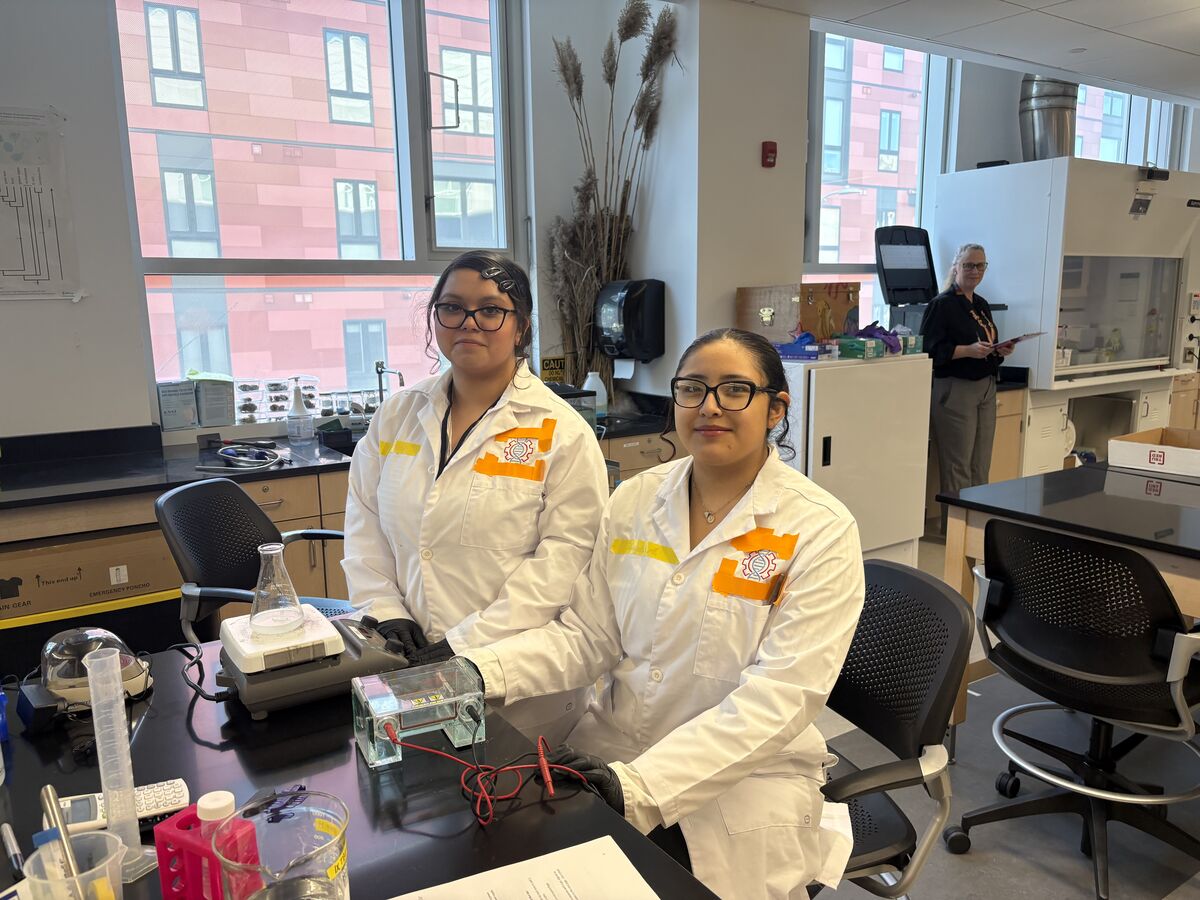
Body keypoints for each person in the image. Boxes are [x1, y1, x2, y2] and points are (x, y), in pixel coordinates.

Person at [459, 328, 865, 900]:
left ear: (776, 408)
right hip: (613, 751)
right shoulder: (634, 500)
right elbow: (587, 638)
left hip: (746, 780)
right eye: (692, 389)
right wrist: (477, 672)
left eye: (735, 391)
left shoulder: (819, 531)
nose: (710, 407)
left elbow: (779, 697)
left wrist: (642, 788)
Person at [343, 250, 608, 743]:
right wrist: (388, 611)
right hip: (409, 671)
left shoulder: (561, 433)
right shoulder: (398, 414)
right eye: (452, 307)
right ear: (435, 318)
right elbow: (365, 521)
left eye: (490, 310)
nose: (469, 323)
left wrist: (465, 646)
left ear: (521, 326)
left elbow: (565, 562)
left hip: (519, 693)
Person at [919, 242, 1014, 497]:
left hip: (985, 386)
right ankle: (955, 528)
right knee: (957, 464)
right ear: (957, 266)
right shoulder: (942, 305)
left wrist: (998, 350)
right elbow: (929, 350)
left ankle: (975, 523)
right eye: (969, 265)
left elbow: (986, 342)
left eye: (980, 265)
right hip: (955, 388)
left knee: (980, 463)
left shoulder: (981, 304)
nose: (975, 271)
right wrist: (967, 350)